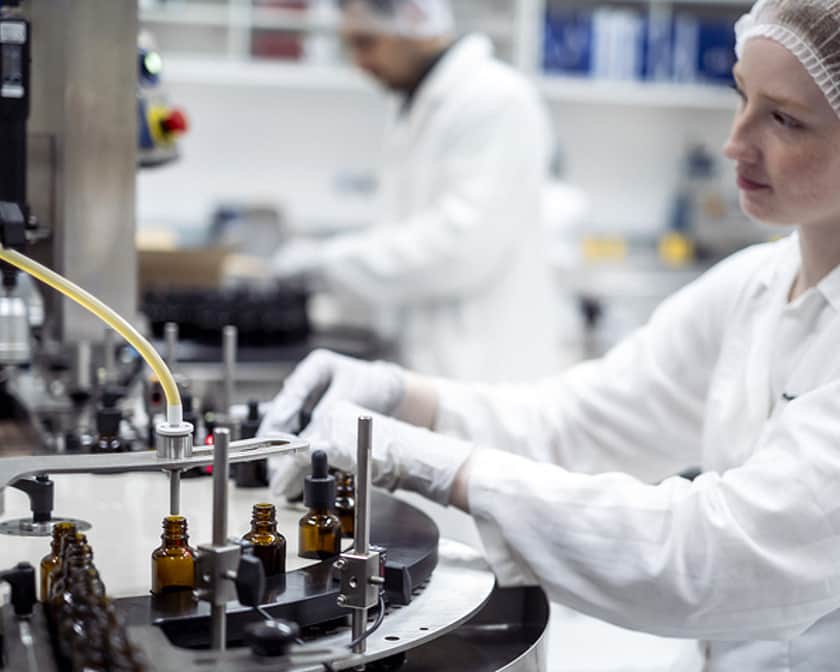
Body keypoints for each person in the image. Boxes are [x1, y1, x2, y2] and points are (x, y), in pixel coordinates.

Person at [264, 0, 840, 668]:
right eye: (742, 96)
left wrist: (437, 464)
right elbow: (585, 421)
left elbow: (712, 557)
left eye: (785, 119)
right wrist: (409, 398)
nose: (735, 143)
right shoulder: (756, 284)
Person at [271, 0, 560, 382]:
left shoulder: (497, 99)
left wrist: (330, 263)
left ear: (418, 25)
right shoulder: (414, 104)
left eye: (367, 42)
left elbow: (458, 249)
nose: (359, 62)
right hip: (430, 366)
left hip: (483, 372)